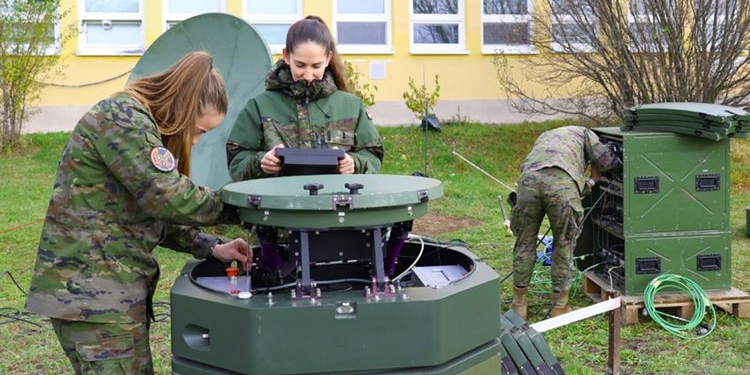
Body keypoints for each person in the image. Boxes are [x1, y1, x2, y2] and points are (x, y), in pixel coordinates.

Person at [25, 51, 252, 375]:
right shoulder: (123, 118)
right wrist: (242, 206)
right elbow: (166, 196)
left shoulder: (136, 122)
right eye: (199, 130)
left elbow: (149, 210)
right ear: (183, 106)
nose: (198, 142)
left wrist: (211, 246)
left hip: (107, 294)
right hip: (92, 297)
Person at [225, 15, 383, 181]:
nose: (308, 75)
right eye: (300, 65)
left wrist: (354, 164)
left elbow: (372, 155)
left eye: (316, 66)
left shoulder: (351, 106)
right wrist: (261, 164)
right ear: (286, 56)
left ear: (328, 59)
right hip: (280, 204)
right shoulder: (260, 106)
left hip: (335, 203)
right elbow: (237, 160)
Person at [510, 125, 620, 320]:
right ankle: (559, 307)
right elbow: (607, 162)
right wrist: (602, 173)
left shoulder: (546, 135)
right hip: (562, 185)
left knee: (524, 243)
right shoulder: (586, 133)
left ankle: (519, 305)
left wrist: (590, 181)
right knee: (563, 244)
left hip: (528, 182)